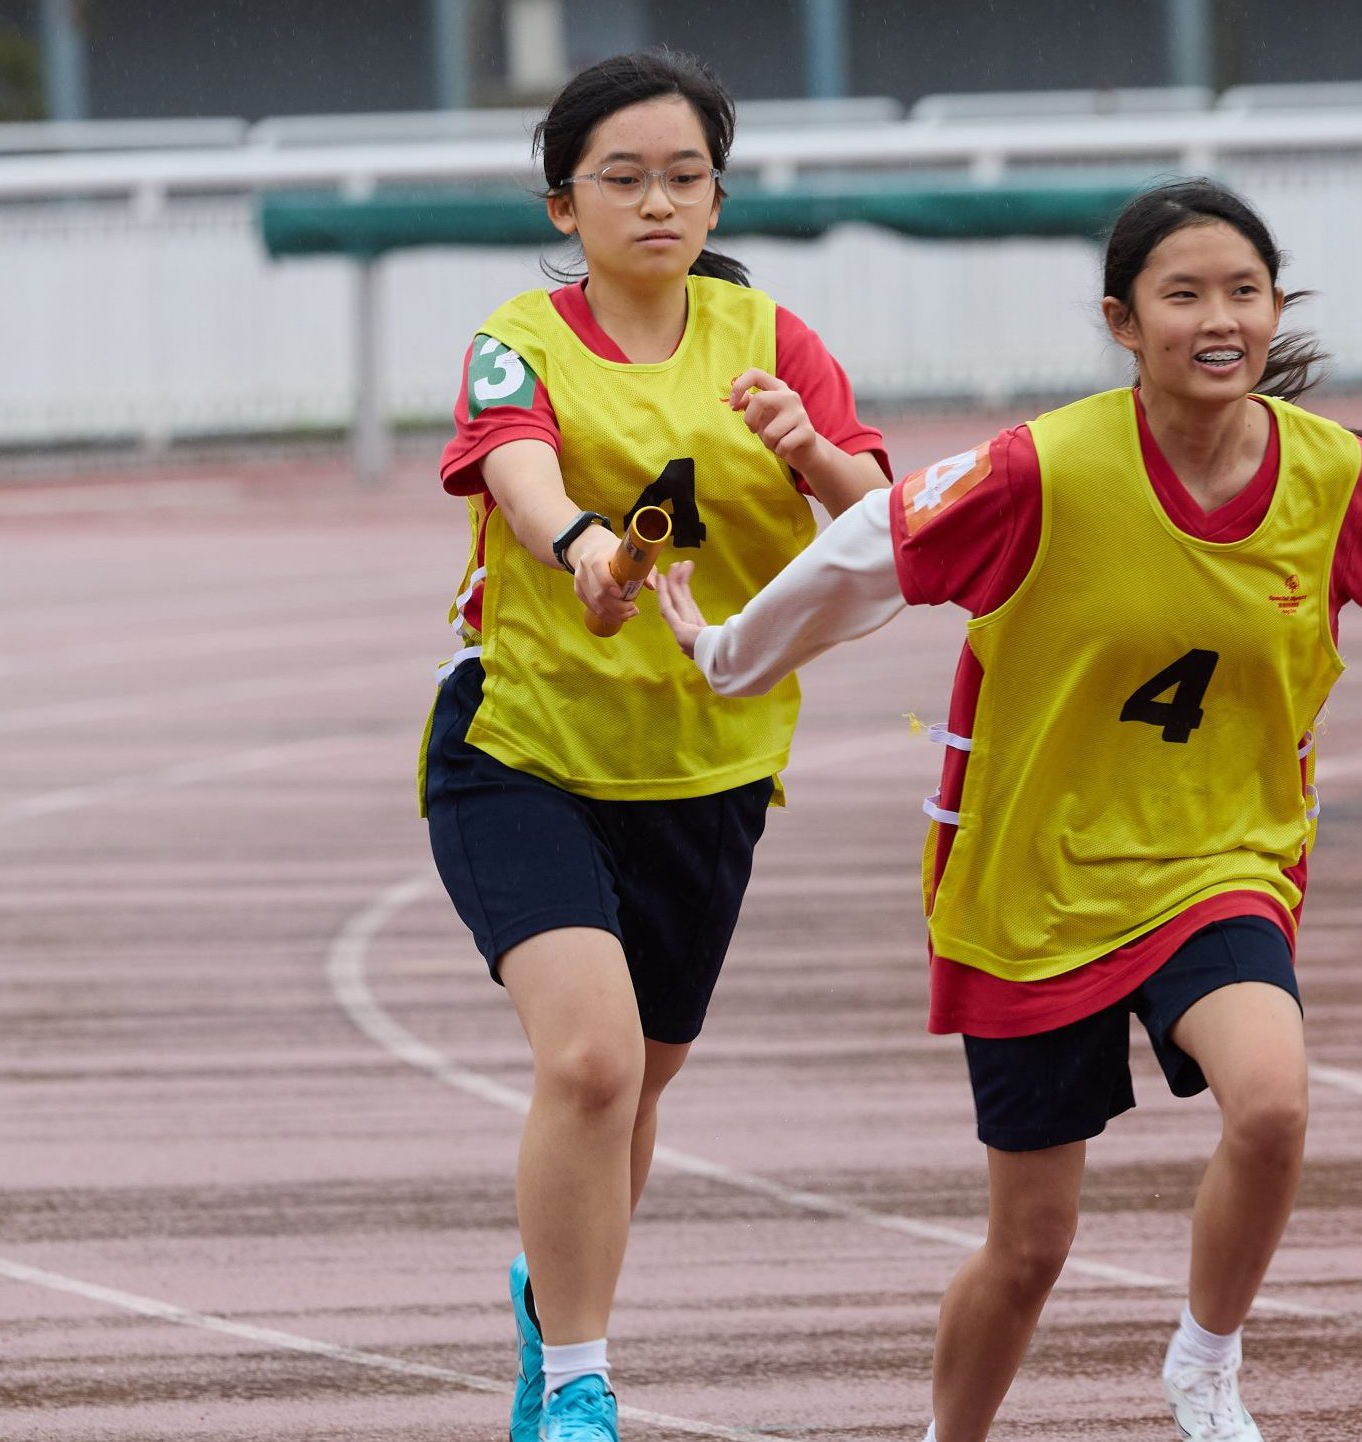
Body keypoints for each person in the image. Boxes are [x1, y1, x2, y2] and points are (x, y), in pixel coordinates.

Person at [654, 178, 1362, 1442]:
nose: (1219, 319)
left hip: (1220, 859)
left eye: (1244, 292)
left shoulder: (1328, 480)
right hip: (1033, 881)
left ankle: (1205, 1365)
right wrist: (730, 650)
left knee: (1271, 1102)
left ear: (1275, 309)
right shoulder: (1040, 469)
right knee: (1029, 1246)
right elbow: (871, 548)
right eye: (1184, 295)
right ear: (1123, 321)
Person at [419, 48, 889, 1442]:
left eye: (685, 176)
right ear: (564, 204)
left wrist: (813, 450)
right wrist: (583, 550)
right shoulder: (519, 338)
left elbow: (883, 522)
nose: (658, 201)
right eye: (621, 178)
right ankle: (578, 1383)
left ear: (718, 196)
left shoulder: (775, 342)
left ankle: (550, 1289)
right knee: (591, 1062)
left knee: (637, 1089)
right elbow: (518, 473)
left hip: (707, 765)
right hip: (523, 747)